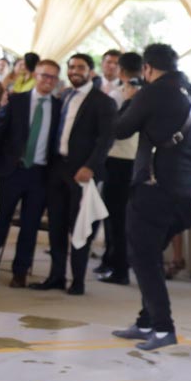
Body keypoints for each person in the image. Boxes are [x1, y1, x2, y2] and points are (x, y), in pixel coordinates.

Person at [108, 43, 191, 351]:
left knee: (142, 257)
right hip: (186, 194)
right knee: (150, 256)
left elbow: (120, 129)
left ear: (148, 69)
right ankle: (146, 322)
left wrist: (129, 100)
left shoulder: (152, 92)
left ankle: (164, 328)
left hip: (154, 190)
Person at [35, 53, 116, 294]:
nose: (74, 71)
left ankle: (78, 281)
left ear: (90, 71)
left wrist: (90, 166)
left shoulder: (103, 102)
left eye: (80, 67)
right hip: (57, 167)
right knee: (56, 225)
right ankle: (56, 276)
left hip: (82, 172)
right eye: (71, 67)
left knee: (79, 227)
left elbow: (106, 139)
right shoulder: (64, 96)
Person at [0, 60, 61, 287]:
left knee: (30, 225)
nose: (48, 81)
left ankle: (20, 272)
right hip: (10, 171)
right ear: (35, 75)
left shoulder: (59, 107)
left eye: (53, 77)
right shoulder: (15, 101)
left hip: (40, 174)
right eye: (44, 75)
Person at [99, 52, 142, 285]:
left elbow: (112, 128)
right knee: (118, 215)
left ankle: (119, 267)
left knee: (116, 216)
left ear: (121, 71)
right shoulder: (144, 94)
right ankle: (112, 260)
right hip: (135, 161)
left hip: (119, 159)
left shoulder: (121, 95)